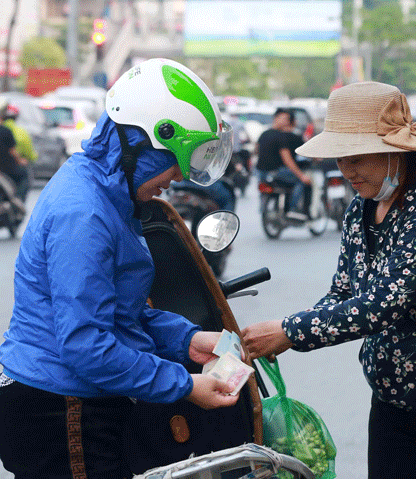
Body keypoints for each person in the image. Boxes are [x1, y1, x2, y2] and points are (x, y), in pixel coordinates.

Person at [242, 82, 416, 479]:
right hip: (393, 402)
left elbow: (382, 303)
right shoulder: (361, 208)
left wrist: (290, 331)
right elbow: (344, 292)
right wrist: (281, 336)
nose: (346, 170)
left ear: (395, 151)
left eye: (358, 156)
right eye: (340, 158)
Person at [0, 58, 240, 479]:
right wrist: (185, 385)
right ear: (140, 144)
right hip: (60, 410)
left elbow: (122, 313)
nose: (179, 175)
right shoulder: (84, 213)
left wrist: (189, 340)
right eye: (176, 159)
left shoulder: (108, 194)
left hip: (75, 400)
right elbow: (87, 344)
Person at [255, 108, 311, 220]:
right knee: (302, 182)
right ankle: (293, 208)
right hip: (277, 173)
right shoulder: (281, 137)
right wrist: (302, 176)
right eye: (284, 118)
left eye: (287, 119)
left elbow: (256, 151)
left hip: (261, 173)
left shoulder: (263, 134)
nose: (286, 121)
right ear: (276, 118)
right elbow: (287, 160)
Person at [0, 98, 30, 203]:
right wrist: (21, 161)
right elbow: (13, 151)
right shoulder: (7, 131)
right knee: (24, 175)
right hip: (7, 169)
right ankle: (18, 200)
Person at [3, 101, 38, 166]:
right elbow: (29, 152)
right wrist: (33, 157)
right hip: (14, 167)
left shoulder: (3, 128)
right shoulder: (21, 132)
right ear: (16, 116)